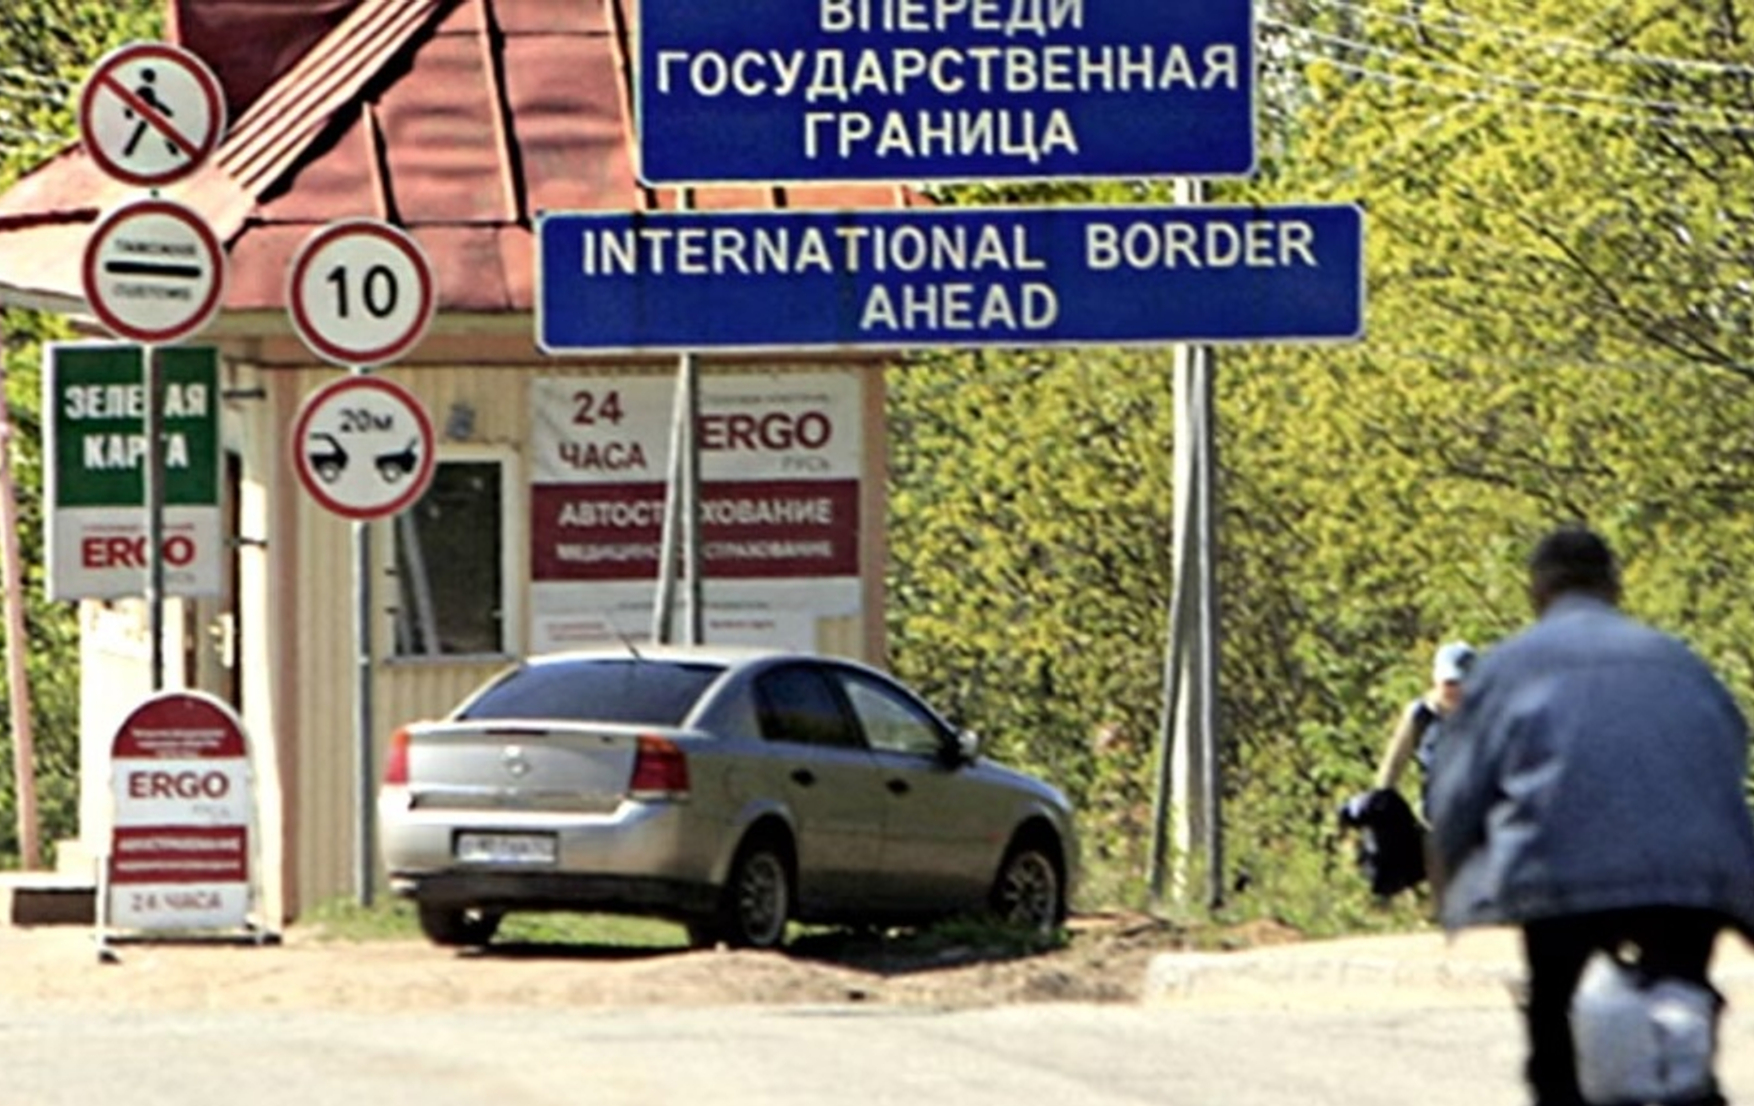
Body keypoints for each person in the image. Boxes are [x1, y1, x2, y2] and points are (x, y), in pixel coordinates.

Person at [1427, 526, 1754, 1106]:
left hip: (1560, 878)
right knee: (1681, 1020)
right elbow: (1729, 753)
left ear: (1537, 591)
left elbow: (1454, 797)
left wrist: (1450, 891)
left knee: (1556, 1033)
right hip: (1687, 878)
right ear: (1613, 587)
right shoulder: (1679, 662)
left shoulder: (1507, 669)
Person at [1373, 640, 1476, 819]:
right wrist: (1380, 803)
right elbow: (1393, 765)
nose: (1454, 690)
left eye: (1462, 682)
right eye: (1449, 682)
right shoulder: (1420, 715)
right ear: (1437, 680)